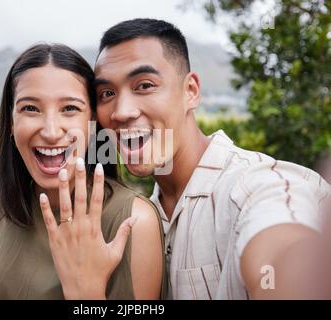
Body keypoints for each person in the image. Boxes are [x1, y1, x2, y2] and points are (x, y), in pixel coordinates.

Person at [90, 18, 330, 299]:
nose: (121, 111)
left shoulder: (253, 185)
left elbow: (279, 246)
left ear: (190, 91)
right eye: (107, 93)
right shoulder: (138, 217)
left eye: (144, 86)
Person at [0, 43, 165, 299]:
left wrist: (85, 290)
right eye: (30, 108)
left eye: (69, 109)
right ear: (12, 123)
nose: (51, 131)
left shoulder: (135, 221)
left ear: (92, 122)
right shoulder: (5, 200)